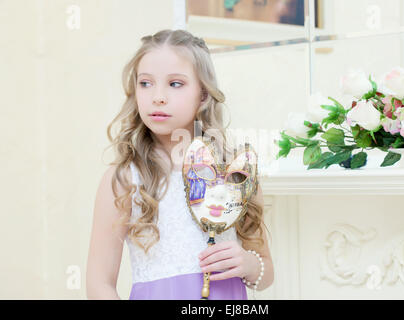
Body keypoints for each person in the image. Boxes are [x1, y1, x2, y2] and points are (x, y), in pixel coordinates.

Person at [86, 29, 273, 300]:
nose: (158, 96)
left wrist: (248, 263)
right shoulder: (125, 179)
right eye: (146, 83)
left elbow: (266, 276)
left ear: (203, 95)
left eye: (175, 84)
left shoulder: (235, 173)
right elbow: (98, 284)